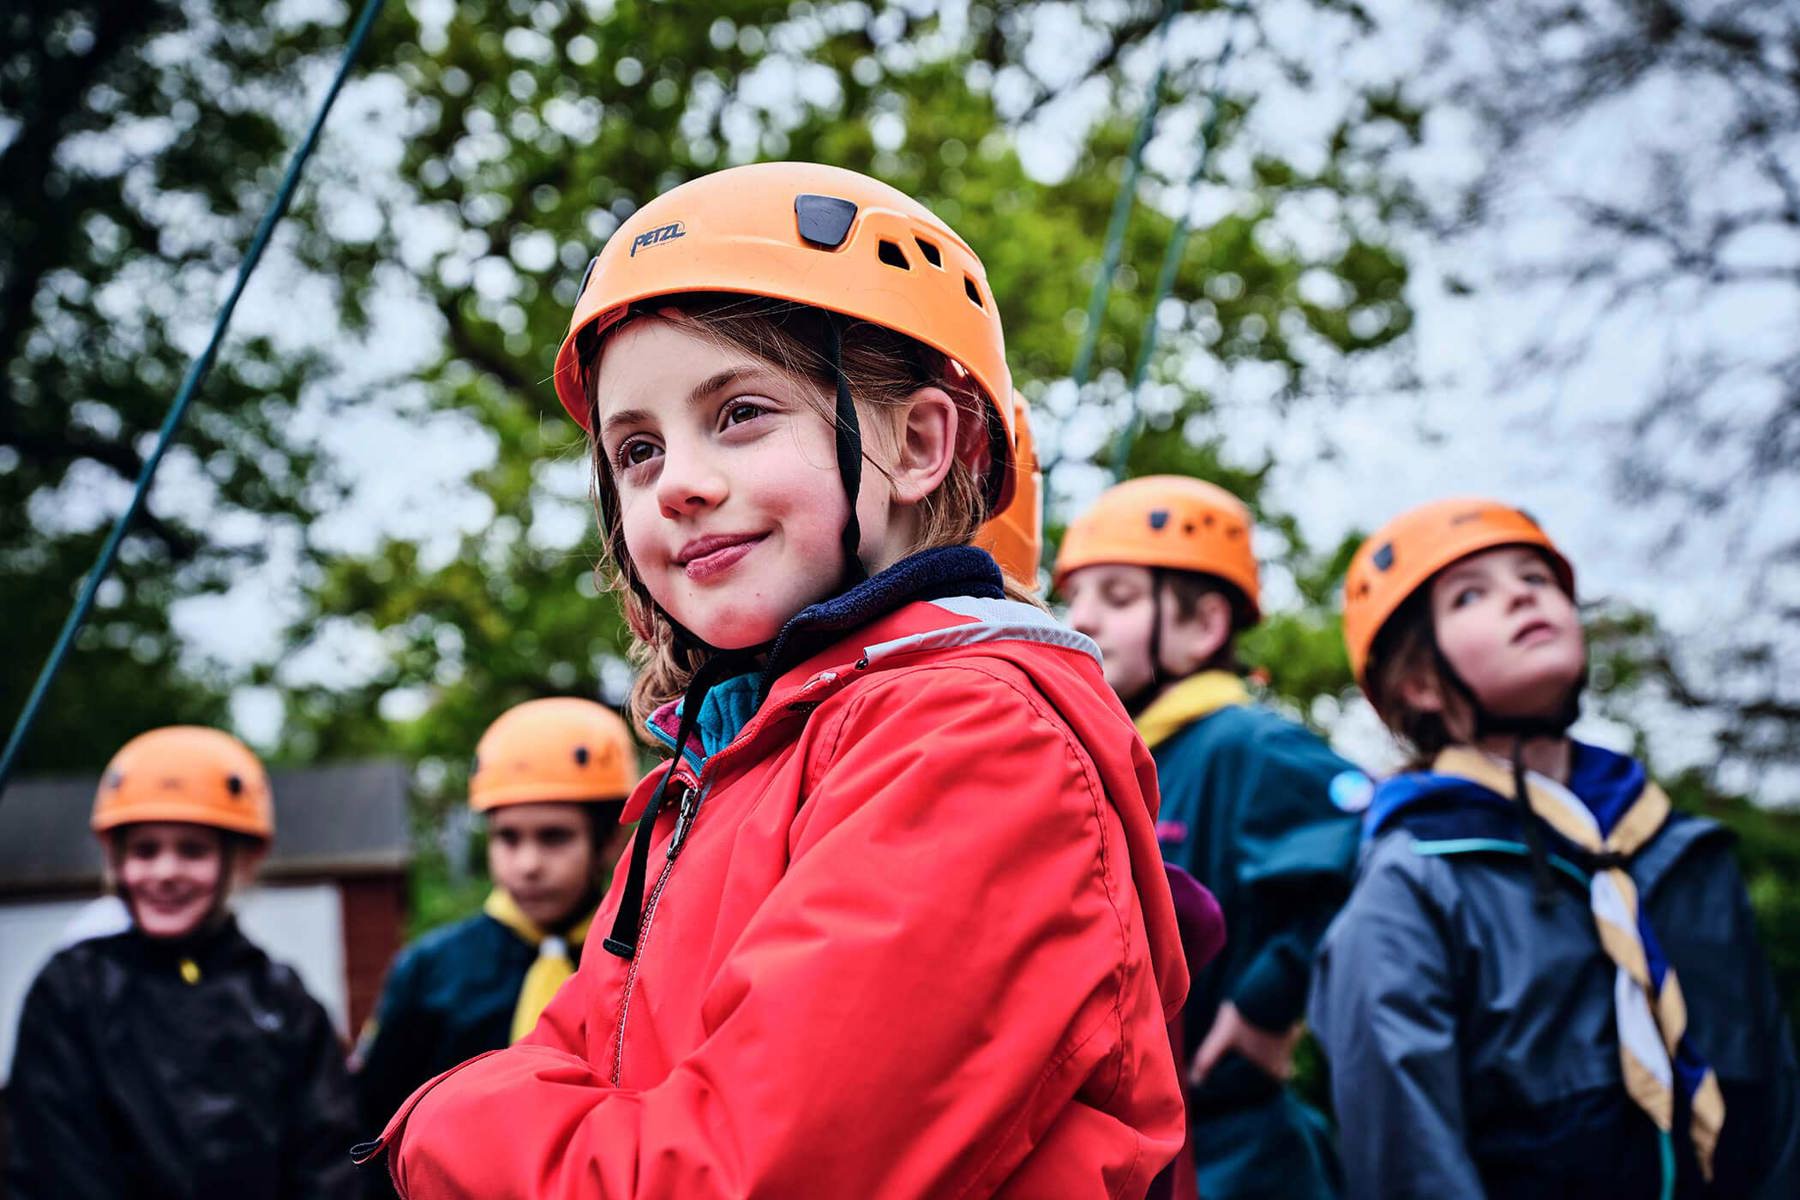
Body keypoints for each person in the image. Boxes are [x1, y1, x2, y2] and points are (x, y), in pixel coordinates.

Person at [357, 161, 1189, 1198]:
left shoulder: (975, 739)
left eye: (742, 411)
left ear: (921, 442)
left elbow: (732, 1175)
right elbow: (589, 1046)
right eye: (638, 451)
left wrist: (440, 1119)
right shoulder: (720, 764)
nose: (680, 487)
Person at [1309, 497, 1800, 1198]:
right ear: (1416, 682)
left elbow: (1777, 1107)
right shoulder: (1411, 887)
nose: (1519, 595)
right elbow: (1412, 1163)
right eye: (1471, 595)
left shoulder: (1687, 853)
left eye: (1535, 579)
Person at [1058, 475, 1364, 1199]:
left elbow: (1371, 842)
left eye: (1120, 598)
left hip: (1238, 1147)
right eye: (1074, 598)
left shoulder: (1245, 741)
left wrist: (1269, 1000)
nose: (1083, 620)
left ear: (1203, 626)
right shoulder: (1126, 757)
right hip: (1141, 1146)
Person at [5, 726, 359, 1199]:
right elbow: (54, 1159)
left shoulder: (284, 1003)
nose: (165, 872)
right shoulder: (69, 991)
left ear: (242, 859)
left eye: (193, 850)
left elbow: (329, 1163)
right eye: (144, 850)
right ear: (117, 860)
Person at [352, 698, 638, 1163]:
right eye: (508, 837)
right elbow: (375, 1119)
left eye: (554, 836)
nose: (527, 865)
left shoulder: (637, 957)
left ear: (609, 842)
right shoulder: (430, 969)